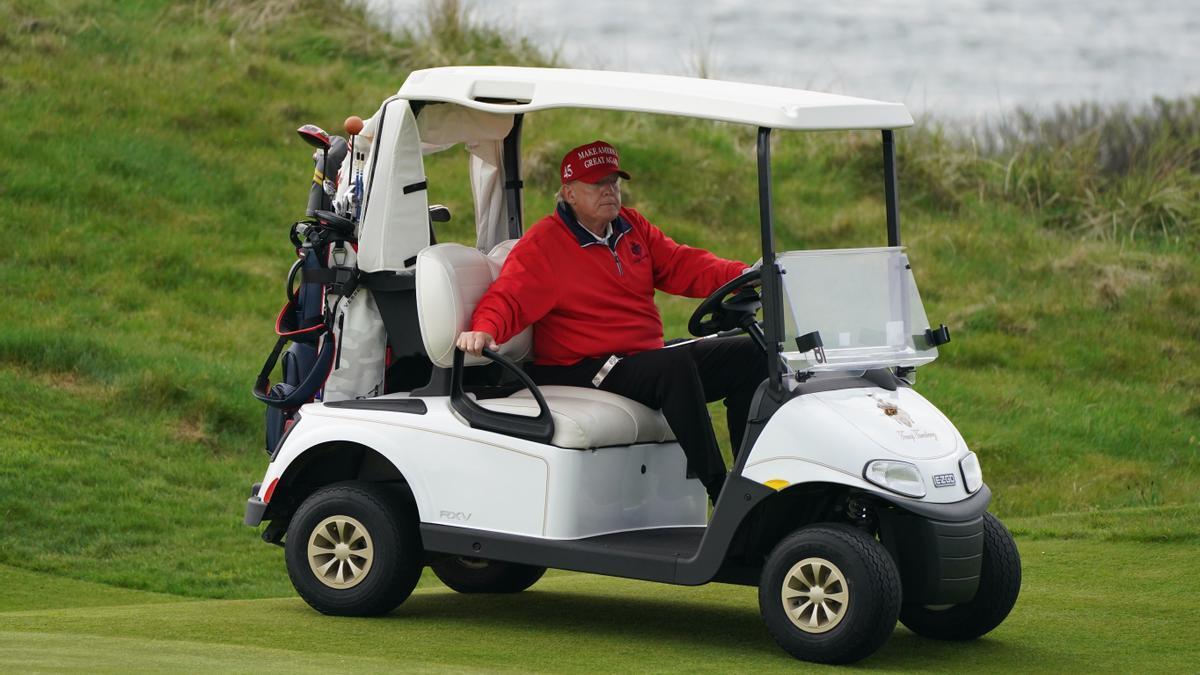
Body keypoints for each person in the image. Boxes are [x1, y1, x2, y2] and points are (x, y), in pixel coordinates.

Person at [456, 140, 765, 504]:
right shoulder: (545, 244)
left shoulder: (631, 227)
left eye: (613, 182)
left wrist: (741, 275)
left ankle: (753, 482)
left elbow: (683, 264)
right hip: (580, 367)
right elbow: (509, 297)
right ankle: (722, 493)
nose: (609, 191)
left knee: (751, 355)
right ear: (569, 193)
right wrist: (485, 329)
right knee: (673, 366)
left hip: (636, 360)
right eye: (597, 184)